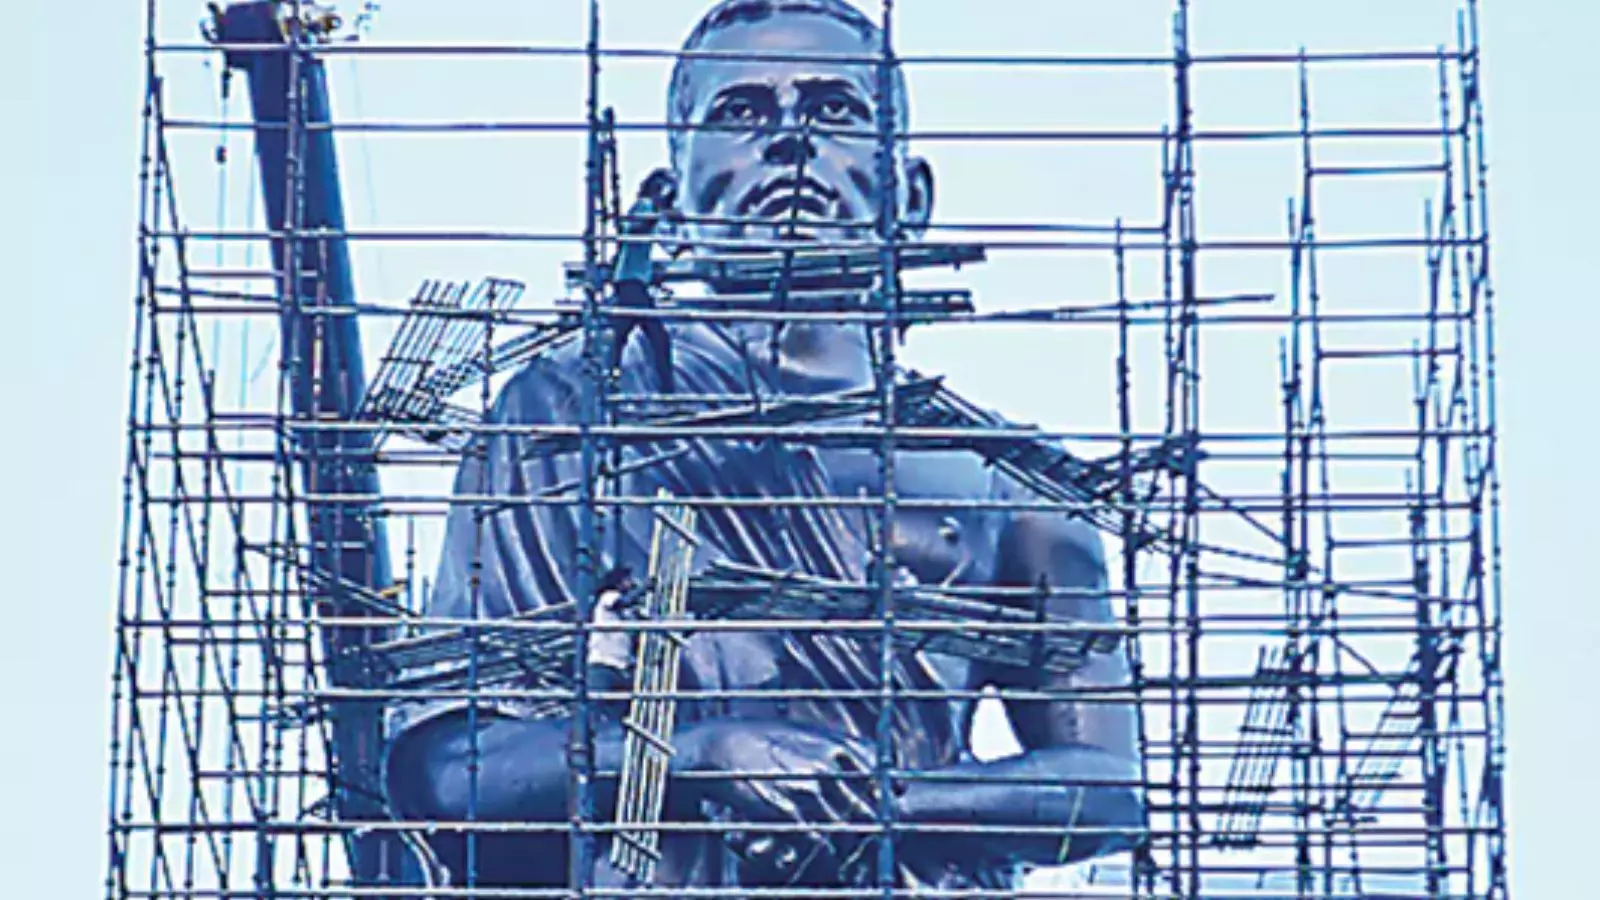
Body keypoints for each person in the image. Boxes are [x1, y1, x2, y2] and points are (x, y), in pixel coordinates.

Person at [382, 0, 1146, 892]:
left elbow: (1106, 790)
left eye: (835, 109)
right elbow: (452, 770)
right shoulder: (570, 418)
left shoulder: (1006, 481)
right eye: (741, 111)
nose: (790, 138)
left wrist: (874, 803)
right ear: (668, 203)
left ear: (911, 197)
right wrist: (700, 755)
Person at [607, 171, 679, 393]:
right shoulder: (644, 206)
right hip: (632, 284)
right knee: (657, 337)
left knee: (621, 335)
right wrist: (657, 214)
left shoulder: (647, 209)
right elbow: (637, 227)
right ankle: (667, 390)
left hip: (631, 282)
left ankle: (609, 377)